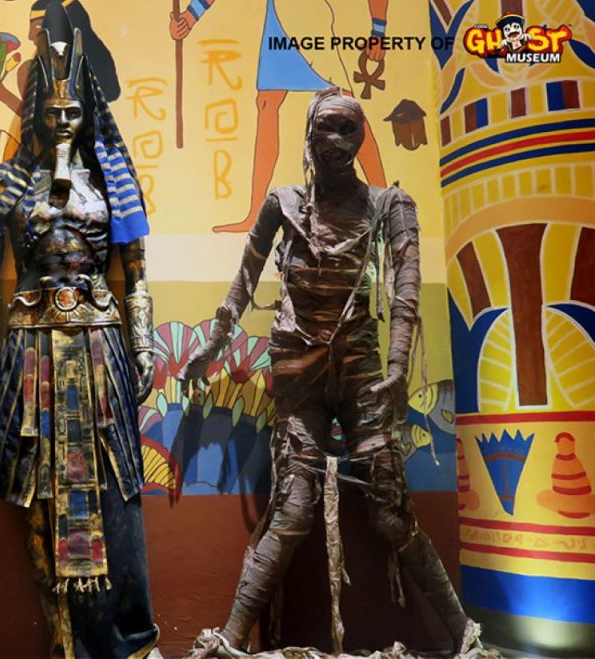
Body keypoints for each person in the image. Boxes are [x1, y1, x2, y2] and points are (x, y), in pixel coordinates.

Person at [183, 88, 482, 657]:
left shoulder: (389, 206)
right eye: (329, 128)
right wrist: (213, 345)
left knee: (391, 513)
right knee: (293, 511)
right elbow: (245, 280)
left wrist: (397, 368)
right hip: (298, 371)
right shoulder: (283, 203)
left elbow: (406, 295)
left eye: (351, 130)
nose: (340, 142)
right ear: (309, 134)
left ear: (363, 137)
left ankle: (463, 631)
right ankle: (230, 640)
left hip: (364, 374)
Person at [0, 5, 161, 657]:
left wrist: (144, 343)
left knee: (111, 484)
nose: (61, 120)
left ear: (86, 112)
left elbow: (136, 274)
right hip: (30, 341)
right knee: (39, 484)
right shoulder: (6, 183)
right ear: (34, 112)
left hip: (100, 340)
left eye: (72, 110)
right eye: (51, 111)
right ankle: (62, 637)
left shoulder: (113, 180)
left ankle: (123, 638)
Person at [169, 0, 387, 233]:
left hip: (306, 17)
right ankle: (255, 213)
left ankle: (385, 204)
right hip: (279, 19)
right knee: (266, 103)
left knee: (345, 108)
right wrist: (190, 17)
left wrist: (379, 31)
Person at [0, 0, 120, 221]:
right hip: (33, 159)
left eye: (38, 27)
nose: (31, 36)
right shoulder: (34, 69)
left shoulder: (79, 78)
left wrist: (2, 93)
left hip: (67, 165)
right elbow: (32, 124)